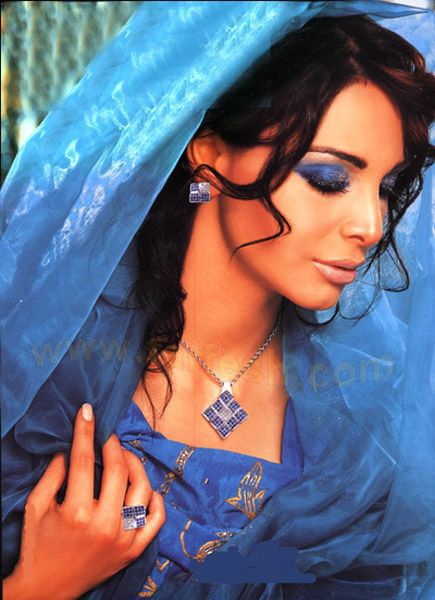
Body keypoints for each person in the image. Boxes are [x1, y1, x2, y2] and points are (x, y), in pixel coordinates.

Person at [1, 1, 434, 599]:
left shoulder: (370, 428)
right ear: (206, 153)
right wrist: (40, 584)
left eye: (386, 187)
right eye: (329, 179)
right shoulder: (44, 365)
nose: (370, 223)